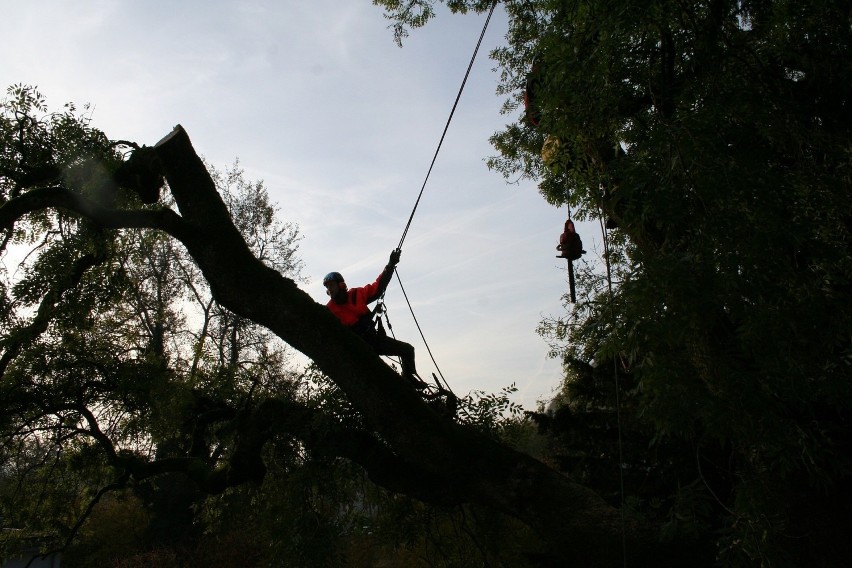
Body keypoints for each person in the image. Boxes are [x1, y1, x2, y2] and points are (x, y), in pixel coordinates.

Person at [323, 249, 426, 389]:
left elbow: (378, 287)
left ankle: (408, 377)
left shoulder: (356, 294)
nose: (330, 290)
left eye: (332, 285)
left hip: (374, 340)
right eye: (328, 288)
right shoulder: (329, 310)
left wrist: (390, 265)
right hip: (358, 348)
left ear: (341, 285)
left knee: (407, 350)